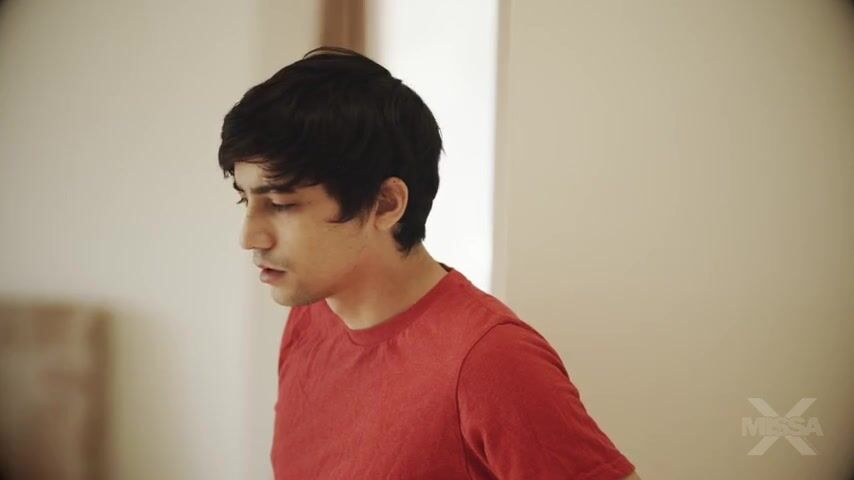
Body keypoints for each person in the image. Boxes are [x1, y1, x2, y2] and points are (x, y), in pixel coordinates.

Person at [218, 46, 640, 480]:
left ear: (386, 203)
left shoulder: (491, 360)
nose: (249, 237)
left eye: (281, 204)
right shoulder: (310, 316)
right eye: (244, 199)